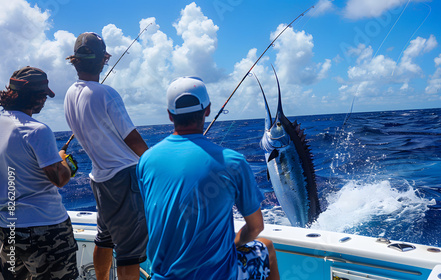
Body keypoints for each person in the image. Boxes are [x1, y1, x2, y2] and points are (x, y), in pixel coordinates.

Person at [136, 76, 280, 280]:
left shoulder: (146, 160)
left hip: (162, 276)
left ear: (169, 115)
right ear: (208, 110)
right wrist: (233, 243)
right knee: (266, 247)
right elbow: (256, 226)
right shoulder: (234, 162)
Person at [64, 32, 149, 280]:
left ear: (75, 60)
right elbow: (131, 138)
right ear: (103, 60)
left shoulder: (70, 94)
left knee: (105, 238)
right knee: (129, 253)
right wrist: (157, 163)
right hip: (126, 180)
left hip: (99, 179)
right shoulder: (106, 93)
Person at [0, 66, 78, 279]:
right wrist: (65, 162)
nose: (45, 100)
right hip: (47, 229)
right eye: (43, 95)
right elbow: (58, 179)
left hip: (8, 229)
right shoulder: (37, 130)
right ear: (33, 96)